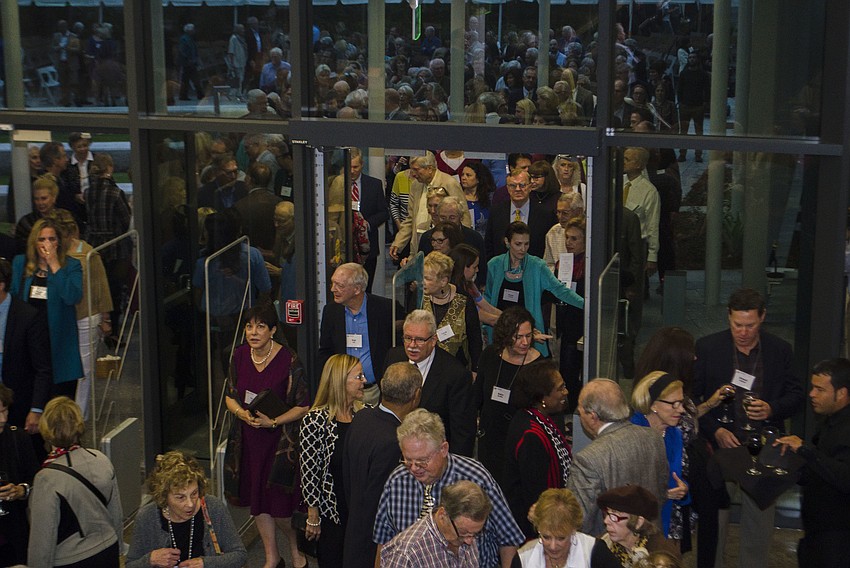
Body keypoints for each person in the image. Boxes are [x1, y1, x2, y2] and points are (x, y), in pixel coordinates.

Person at [692, 288, 805, 568]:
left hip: (763, 448)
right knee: (715, 521)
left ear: (762, 318)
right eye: (737, 325)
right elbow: (692, 400)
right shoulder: (708, 347)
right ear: (729, 318)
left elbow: (797, 395)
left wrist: (772, 408)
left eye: (750, 325)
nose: (743, 332)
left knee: (759, 523)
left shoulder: (779, 350)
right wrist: (715, 429)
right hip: (720, 448)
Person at [373, 409, 525, 568]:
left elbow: (508, 538)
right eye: (407, 460)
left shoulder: (475, 478)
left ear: (443, 449)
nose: (414, 468)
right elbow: (383, 544)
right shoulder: (397, 482)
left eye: (422, 461)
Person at [224, 302, 309, 568]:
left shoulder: (289, 359)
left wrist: (274, 421)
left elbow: (303, 405)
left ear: (272, 330)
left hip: (280, 444)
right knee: (258, 503)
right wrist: (241, 414)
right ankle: (272, 557)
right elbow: (229, 397)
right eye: (249, 326)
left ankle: (297, 552)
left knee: (281, 508)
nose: (253, 332)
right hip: (248, 441)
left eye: (260, 326)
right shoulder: (238, 356)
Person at [342, 362, 423, 568]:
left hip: (353, 531)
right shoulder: (395, 441)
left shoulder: (361, 418)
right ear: (416, 395)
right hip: (377, 547)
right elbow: (385, 504)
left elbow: (347, 475)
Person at [28, 396, 123, 567]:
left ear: (46, 428)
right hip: (108, 549)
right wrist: (118, 549)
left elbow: (42, 540)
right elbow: (116, 514)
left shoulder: (46, 478)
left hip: (72, 559)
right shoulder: (101, 459)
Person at [775, 358, 850, 568]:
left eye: (820, 390)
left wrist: (806, 451)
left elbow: (844, 477)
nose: (811, 394)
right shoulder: (828, 420)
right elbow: (820, 470)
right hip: (816, 532)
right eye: (812, 388)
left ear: (842, 393)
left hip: (839, 539)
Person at [568, 379, 668, 536]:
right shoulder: (654, 438)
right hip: (650, 543)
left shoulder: (587, 459)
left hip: (611, 550)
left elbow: (580, 520)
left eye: (580, 412)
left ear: (593, 416)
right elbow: (661, 493)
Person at [126, 451, 248, 568]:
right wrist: (150, 560)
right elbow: (130, 565)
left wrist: (205, 564)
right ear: (164, 496)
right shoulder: (147, 517)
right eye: (180, 497)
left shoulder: (213, 507)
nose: (190, 504)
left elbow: (239, 555)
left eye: (194, 493)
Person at [300, 353, 366, 567]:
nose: (364, 381)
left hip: (359, 511)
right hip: (331, 513)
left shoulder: (365, 416)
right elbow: (309, 471)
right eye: (358, 377)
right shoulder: (315, 421)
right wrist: (313, 514)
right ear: (340, 381)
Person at [484, 222, 584, 357]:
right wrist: (485, 326)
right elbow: (488, 298)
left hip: (529, 334)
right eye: (518, 244)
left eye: (526, 244)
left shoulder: (537, 266)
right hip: (501, 333)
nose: (523, 249)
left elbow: (560, 290)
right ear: (507, 242)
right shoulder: (494, 265)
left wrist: (585, 304)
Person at [384, 310, 476, 456]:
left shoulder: (455, 375)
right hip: (393, 452)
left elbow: (462, 434)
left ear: (433, 340)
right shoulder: (393, 357)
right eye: (408, 338)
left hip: (432, 459)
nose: (412, 345)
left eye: (420, 339)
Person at [12, 217, 84, 399]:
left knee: (59, 402)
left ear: (59, 242)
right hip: (29, 345)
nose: (47, 244)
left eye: (52, 239)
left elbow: (72, 297)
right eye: (42, 239)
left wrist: (54, 265)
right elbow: (13, 299)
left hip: (59, 345)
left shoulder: (71, 266)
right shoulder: (20, 264)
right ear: (34, 242)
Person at [52, 210, 113, 419]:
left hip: (86, 317)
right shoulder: (50, 257)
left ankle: (79, 417)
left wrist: (105, 319)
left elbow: (101, 287)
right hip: (62, 318)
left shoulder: (88, 254)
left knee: (84, 372)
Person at [502, 360, 572, 538]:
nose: (566, 392)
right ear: (542, 397)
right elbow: (535, 495)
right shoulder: (531, 435)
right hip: (534, 528)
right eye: (560, 388)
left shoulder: (543, 419)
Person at [476, 307, 545, 481]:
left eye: (528, 336)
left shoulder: (539, 367)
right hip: (490, 439)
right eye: (518, 336)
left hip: (520, 444)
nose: (524, 342)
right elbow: (476, 395)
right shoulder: (490, 355)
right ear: (505, 336)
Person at [318, 263, 402, 405]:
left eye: (340, 285)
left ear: (357, 289)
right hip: (343, 393)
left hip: (376, 391)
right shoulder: (331, 312)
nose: (333, 289)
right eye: (333, 283)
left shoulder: (386, 309)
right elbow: (326, 351)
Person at [630, 371, 690, 540]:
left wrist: (683, 489)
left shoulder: (674, 434)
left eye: (682, 402)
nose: (681, 409)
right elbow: (626, 484)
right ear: (653, 404)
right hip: (634, 525)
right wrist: (663, 494)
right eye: (674, 404)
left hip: (666, 523)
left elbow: (677, 476)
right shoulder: (633, 433)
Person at [381, 480, 493, 568]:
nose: (469, 541)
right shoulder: (407, 554)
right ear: (442, 515)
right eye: (463, 532)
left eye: (475, 534)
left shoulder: (466, 532)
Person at [389, 151, 471, 262]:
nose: (413, 174)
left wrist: (461, 249)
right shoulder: (415, 185)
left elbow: (464, 216)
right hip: (419, 246)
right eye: (412, 169)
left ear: (430, 169)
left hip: (445, 248)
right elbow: (410, 219)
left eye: (416, 170)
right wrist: (398, 243)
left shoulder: (449, 183)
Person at [86, 152, 132, 330]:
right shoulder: (115, 192)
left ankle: (101, 325)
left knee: (98, 289)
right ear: (110, 168)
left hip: (95, 245)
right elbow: (126, 220)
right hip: (115, 246)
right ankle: (114, 328)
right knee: (115, 290)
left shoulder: (88, 192)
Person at [516, 488, 619, 568]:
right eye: (546, 537)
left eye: (561, 538)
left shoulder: (594, 552)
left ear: (573, 529)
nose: (553, 546)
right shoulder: (524, 558)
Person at [421, 251, 482, 371]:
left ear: (443, 281)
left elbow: (475, 339)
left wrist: (475, 369)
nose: (422, 282)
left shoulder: (464, 300)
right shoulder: (420, 298)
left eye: (427, 278)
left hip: (457, 369)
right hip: (425, 367)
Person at [0, 384, 39, 567]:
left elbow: (36, 479)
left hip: (15, 537)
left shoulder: (18, 439)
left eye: (5, 411)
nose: (2, 419)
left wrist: (21, 490)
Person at [596, 485, 681, 568]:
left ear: (638, 523)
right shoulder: (603, 545)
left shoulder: (663, 553)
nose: (606, 521)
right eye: (607, 514)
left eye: (614, 516)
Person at [486, 168, 556, 260]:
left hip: (534, 270)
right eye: (513, 185)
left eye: (522, 185)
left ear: (530, 187)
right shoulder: (496, 212)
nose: (518, 189)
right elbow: (489, 246)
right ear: (507, 188)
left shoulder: (545, 214)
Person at [348, 148, 389, 292]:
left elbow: (384, 213)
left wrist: (367, 225)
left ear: (362, 165)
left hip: (368, 247)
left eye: (355, 167)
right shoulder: (336, 184)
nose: (352, 171)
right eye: (349, 166)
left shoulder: (374, 185)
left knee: (365, 288)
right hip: (346, 247)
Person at [449, 243, 501, 326]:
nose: (477, 270)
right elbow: (487, 318)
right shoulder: (455, 292)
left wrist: (510, 317)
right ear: (464, 267)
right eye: (474, 267)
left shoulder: (470, 286)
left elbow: (487, 307)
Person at [14, 175, 68, 254]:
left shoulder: (65, 219)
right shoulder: (25, 222)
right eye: (36, 199)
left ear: (54, 198)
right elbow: (21, 249)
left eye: (44, 198)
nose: (40, 203)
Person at [460, 162, 495, 238]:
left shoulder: (490, 198)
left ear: (478, 179)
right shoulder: (458, 197)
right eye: (462, 174)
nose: (463, 178)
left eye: (468, 175)